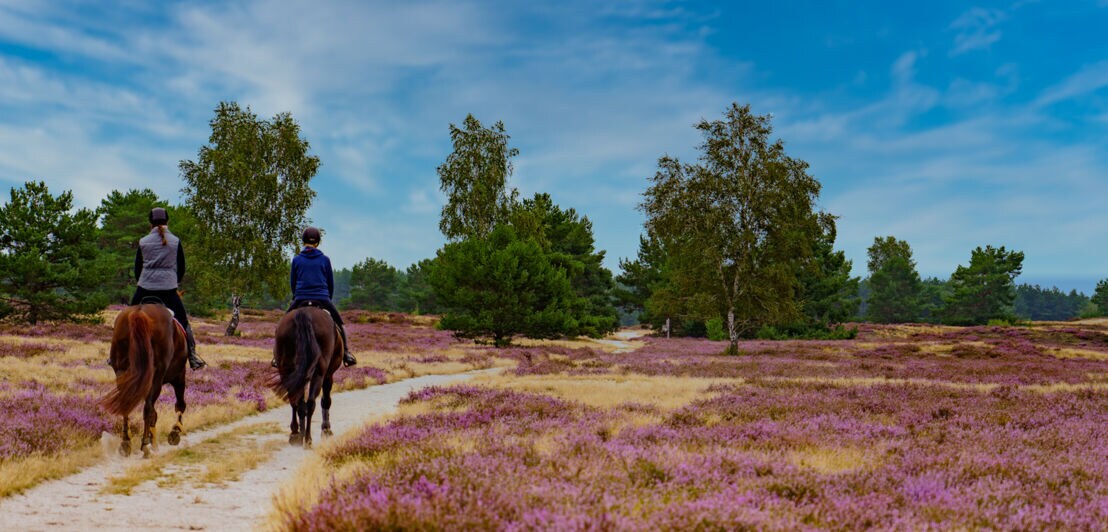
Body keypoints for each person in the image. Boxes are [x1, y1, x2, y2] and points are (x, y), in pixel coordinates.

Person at [128, 207, 206, 370]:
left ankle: (117, 354)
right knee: (183, 320)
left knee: (127, 318)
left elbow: (137, 268)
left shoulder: (143, 241)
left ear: (150, 223)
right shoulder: (175, 241)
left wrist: (143, 281)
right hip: (168, 289)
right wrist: (174, 282)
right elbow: (181, 267)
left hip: (145, 288)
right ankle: (192, 356)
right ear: (167, 221)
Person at [273, 227, 356, 368]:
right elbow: (330, 283)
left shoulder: (296, 260)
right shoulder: (325, 260)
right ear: (317, 242)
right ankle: (346, 353)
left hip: (300, 297)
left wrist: (297, 296)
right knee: (339, 323)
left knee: (282, 324)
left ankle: (276, 357)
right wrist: (327, 298)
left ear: (303, 241)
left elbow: (293, 283)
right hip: (322, 297)